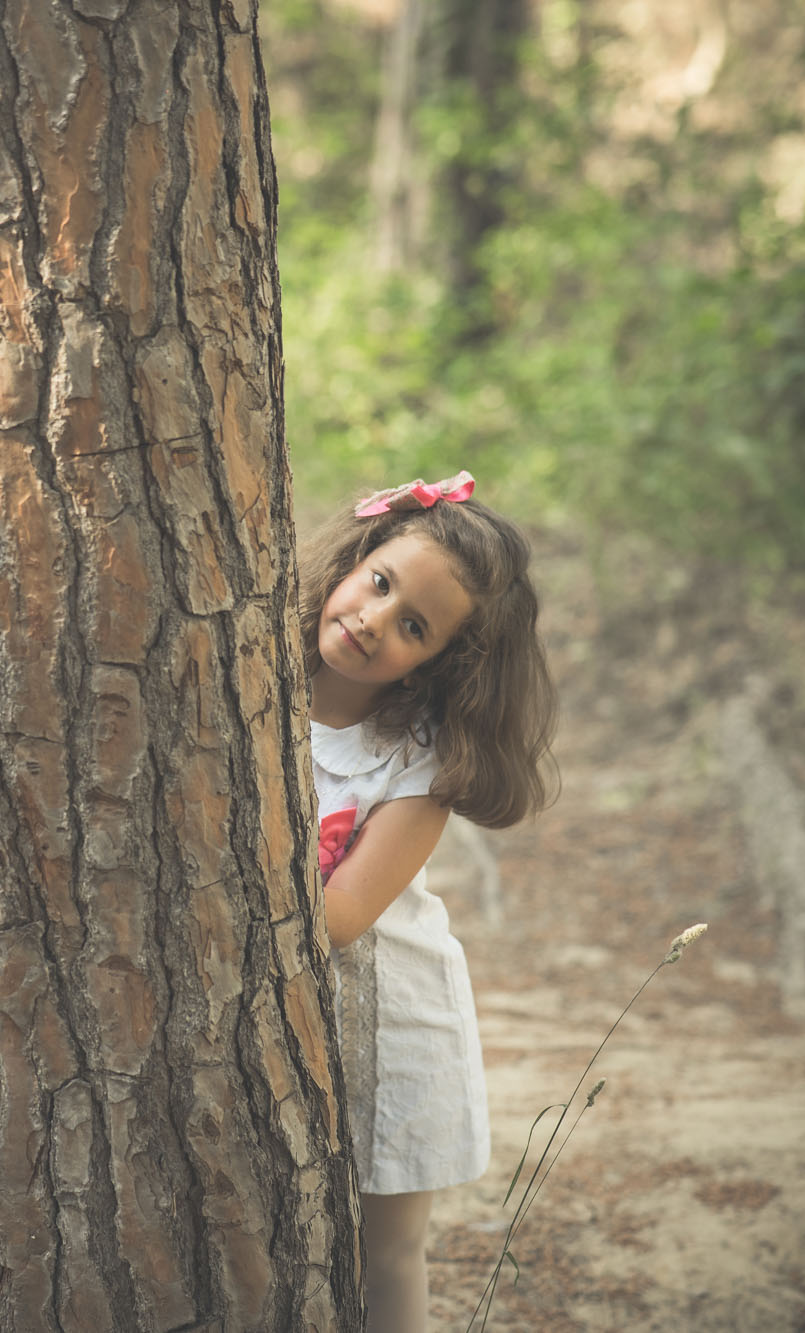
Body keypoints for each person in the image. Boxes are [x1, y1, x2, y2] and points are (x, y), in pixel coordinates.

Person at [300, 472, 556, 1331]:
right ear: (354, 558)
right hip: (295, 1022)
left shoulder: (416, 763)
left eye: (414, 625)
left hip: (393, 1024)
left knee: (388, 1254)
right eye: (379, 584)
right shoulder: (247, 674)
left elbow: (335, 920)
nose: (374, 620)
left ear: (441, 661)